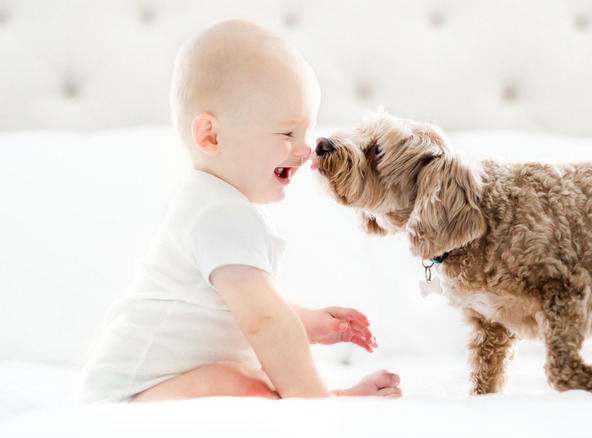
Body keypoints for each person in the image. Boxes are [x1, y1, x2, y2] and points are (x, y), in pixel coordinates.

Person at [78, 19, 402, 402]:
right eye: (287, 133)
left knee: (248, 379)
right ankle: (319, 402)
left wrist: (308, 323)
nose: (305, 149)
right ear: (211, 136)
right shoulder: (219, 214)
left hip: (141, 389)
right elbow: (264, 320)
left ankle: (316, 397)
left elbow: (236, 311)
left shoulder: (216, 205)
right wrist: (314, 402)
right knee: (241, 383)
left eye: (306, 132)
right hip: (126, 397)